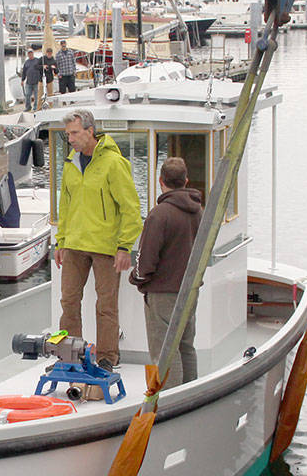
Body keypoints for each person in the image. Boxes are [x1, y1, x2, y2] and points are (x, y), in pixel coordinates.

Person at [53, 109, 142, 370]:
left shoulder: (113, 163)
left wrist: (124, 246)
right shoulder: (71, 162)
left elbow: (130, 208)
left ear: (90, 132)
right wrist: (61, 241)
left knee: (105, 305)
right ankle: (69, 354)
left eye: (75, 133)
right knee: (68, 300)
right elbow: (65, 205)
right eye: (68, 133)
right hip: (74, 245)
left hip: (105, 246)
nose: (70, 138)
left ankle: (107, 357)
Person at [130, 156, 203, 386]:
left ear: (161, 181)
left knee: (164, 351)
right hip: (190, 289)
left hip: (163, 292)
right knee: (185, 345)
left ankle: (171, 399)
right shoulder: (198, 211)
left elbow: (146, 258)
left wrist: (137, 278)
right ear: (186, 180)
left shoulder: (159, 214)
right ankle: (190, 391)